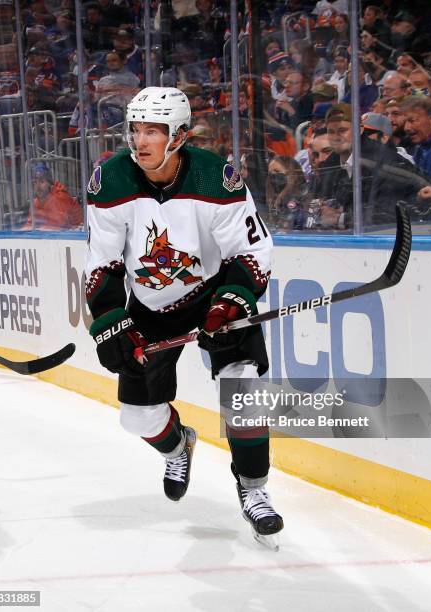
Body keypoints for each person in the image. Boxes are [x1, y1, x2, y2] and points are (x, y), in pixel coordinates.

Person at [85, 86, 283, 542]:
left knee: (243, 385)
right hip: (150, 307)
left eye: (153, 130)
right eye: (135, 129)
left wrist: (230, 302)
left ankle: (254, 490)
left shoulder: (218, 179)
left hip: (213, 296)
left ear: (179, 136)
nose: (140, 141)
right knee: (136, 418)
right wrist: (112, 319)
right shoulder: (111, 180)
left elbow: (250, 250)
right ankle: (179, 444)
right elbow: (103, 261)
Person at [24, 164, 83, 230]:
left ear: (50, 184)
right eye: (35, 182)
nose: (38, 186)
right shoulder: (35, 203)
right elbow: (29, 225)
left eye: (42, 182)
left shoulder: (60, 197)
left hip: (77, 233)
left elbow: (57, 226)